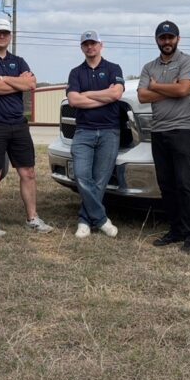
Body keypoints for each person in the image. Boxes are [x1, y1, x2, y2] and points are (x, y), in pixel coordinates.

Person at [0, 19, 53, 237]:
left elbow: (31, 84)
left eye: (6, 33)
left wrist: (2, 80)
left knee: (28, 172)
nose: (2, 36)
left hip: (18, 124)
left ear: (10, 36)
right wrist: (15, 81)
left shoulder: (19, 60)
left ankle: (33, 218)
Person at [137, 21, 190, 254]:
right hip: (159, 130)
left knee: (186, 182)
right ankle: (176, 230)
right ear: (157, 40)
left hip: (183, 129)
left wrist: (157, 86)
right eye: (162, 38)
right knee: (166, 184)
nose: (166, 42)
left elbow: (184, 90)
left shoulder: (188, 61)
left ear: (178, 39)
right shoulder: (149, 67)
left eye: (170, 38)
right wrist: (168, 88)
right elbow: (143, 96)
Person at [66, 30, 125, 238]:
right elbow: (74, 100)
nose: (90, 47)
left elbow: (116, 93)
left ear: (101, 45)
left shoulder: (113, 68)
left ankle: (84, 220)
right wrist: (104, 97)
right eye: (86, 44)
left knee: (100, 180)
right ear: (82, 47)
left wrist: (87, 94)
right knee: (82, 176)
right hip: (84, 131)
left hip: (109, 131)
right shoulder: (76, 73)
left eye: (93, 43)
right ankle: (101, 220)